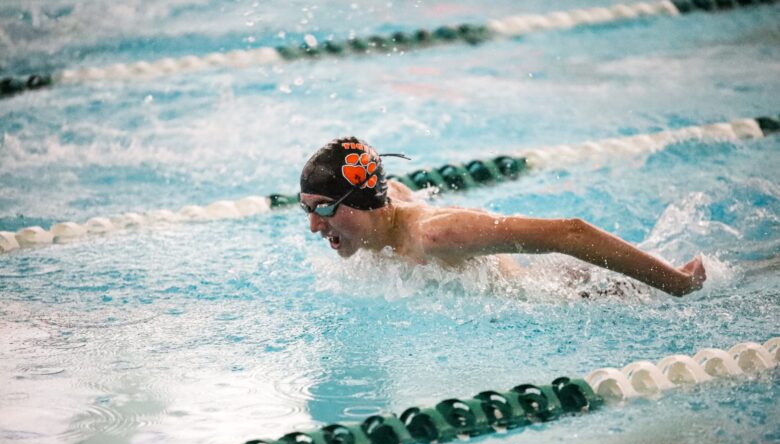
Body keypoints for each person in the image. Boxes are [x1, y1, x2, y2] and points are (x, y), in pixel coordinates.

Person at [299, 137, 706, 297]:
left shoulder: (436, 236)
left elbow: (569, 232)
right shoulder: (378, 215)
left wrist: (676, 282)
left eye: (325, 209)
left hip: (569, 298)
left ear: (365, 202)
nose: (315, 226)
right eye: (307, 209)